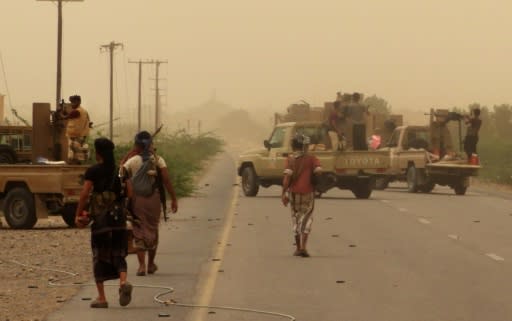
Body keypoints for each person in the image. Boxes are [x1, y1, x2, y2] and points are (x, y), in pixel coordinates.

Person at [74, 138, 132, 308]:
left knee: (100, 256)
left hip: (100, 221)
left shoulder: (93, 171)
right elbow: (130, 192)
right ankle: (123, 284)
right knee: (119, 254)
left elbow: (84, 194)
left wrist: (78, 214)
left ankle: (102, 298)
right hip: (119, 219)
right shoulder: (121, 171)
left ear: (98, 153)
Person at [121, 131, 178, 276]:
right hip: (154, 199)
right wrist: (174, 198)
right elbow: (166, 180)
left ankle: (141, 266)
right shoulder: (158, 160)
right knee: (152, 229)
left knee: (139, 229)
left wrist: (130, 154)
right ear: (150, 145)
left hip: (137, 200)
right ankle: (151, 264)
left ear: (137, 145)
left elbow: (121, 174)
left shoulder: (132, 161)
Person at [281, 135, 322, 258]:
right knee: (306, 218)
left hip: (293, 193)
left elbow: (287, 178)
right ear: (305, 146)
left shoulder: (290, 159)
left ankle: (298, 248)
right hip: (308, 193)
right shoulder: (312, 158)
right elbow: (319, 170)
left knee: (296, 218)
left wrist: (283, 193)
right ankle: (304, 247)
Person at [63, 95, 91, 164]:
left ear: (79, 102)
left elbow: (65, 117)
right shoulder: (84, 111)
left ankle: (74, 169)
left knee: (73, 156)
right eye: (71, 102)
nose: (72, 104)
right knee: (78, 155)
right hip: (81, 135)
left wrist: (60, 113)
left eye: (73, 102)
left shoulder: (77, 111)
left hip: (75, 136)